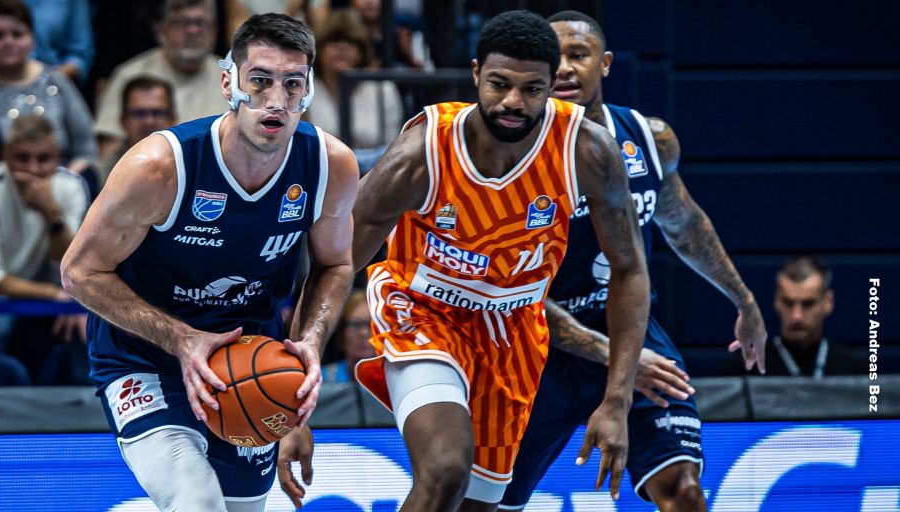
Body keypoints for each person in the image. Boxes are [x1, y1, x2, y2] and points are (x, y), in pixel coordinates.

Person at [282, 10, 650, 511]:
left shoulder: (587, 150)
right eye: (499, 84)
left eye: (532, 89)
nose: (513, 101)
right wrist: (294, 404)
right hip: (422, 311)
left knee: (478, 504)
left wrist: (617, 399)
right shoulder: (423, 152)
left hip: (514, 329)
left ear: (551, 86)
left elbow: (629, 270)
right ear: (476, 73)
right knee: (445, 470)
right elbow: (334, 263)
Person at [60, 13, 358, 512]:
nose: (276, 101)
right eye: (259, 81)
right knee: (195, 502)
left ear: (308, 90)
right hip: (144, 358)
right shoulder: (159, 167)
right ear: (228, 83)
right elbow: (79, 272)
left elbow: (335, 265)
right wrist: (182, 339)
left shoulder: (331, 165)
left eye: (292, 84)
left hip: (248, 359)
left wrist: (305, 348)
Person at [499, 11, 768, 512]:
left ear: (604, 63)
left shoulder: (648, 137)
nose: (565, 68)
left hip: (628, 328)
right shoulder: (511, 156)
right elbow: (514, 291)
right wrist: (618, 359)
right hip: (535, 345)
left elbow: (684, 224)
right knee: (486, 504)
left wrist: (744, 301)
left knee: (684, 490)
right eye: (554, 59)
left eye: (578, 55)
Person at [0, 114, 89, 379]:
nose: (32, 170)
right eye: (22, 158)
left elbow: (75, 264)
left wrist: (53, 215)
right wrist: (54, 294)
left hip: (56, 286)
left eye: (43, 159)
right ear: (5, 156)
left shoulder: (72, 187)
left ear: (57, 157)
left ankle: (87, 398)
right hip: (0, 296)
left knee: (84, 319)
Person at [0, 0, 97, 176]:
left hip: (57, 183)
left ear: (32, 39)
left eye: (17, 34)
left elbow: (86, 151)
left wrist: (63, 185)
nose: (8, 42)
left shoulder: (57, 82)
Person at [94, 0, 229, 162]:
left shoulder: (232, 77)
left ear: (214, 30)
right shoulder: (128, 74)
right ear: (161, 29)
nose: (193, 30)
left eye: (201, 23)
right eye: (182, 23)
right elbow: (109, 150)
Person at [726, 256, 861, 377]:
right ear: (777, 301)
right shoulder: (746, 367)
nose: (797, 316)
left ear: (828, 302)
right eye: (788, 303)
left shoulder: (855, 372)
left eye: (808, 304)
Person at [305, 10, 404, 152]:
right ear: (318, 50)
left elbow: (392, 147)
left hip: (376, 165)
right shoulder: (305, 89)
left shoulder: (383, 90)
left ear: (362, 51)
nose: (342, 48)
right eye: (333, 41)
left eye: (351, 42)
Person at [0, 0, 93, 82]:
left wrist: (40, 82)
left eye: (18, 35)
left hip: (53, 85)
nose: (9, 42)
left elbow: (79, 54)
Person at [95, 76, 177, 185]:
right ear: (123, 121)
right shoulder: (100, 175)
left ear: (172, 119)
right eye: (139, 113)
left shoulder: (191, 167)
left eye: (157, 113)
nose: (149, 121)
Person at [320, 289, 374, 383]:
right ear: (341, 333)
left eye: (372, 325)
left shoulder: (394, 379)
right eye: (356, 325)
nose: (364, 333)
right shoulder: (321, 379)